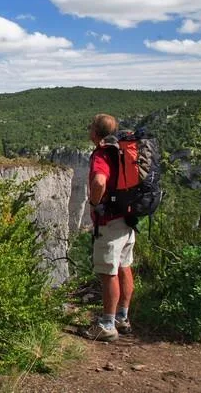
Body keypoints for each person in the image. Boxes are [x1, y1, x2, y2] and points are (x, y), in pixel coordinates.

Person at [82, 113, 135, 342]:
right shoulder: (120, 151)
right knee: (124, 266)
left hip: (110, 222)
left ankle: (107, 325)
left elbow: (99, 181)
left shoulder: (102, 154)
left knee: (108, 273)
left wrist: (95, 204)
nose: (89, 129)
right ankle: (122, 317)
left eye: (91, 127)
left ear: (96, 132)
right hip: (128, 219)